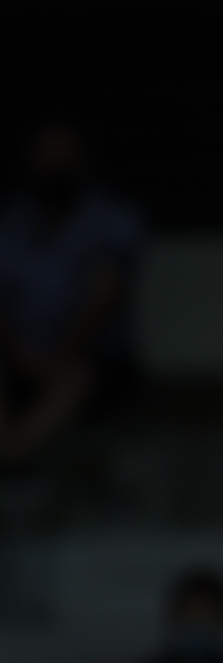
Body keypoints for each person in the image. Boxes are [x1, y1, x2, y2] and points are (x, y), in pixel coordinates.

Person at [0, 121, 142, 467]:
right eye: (46, 160)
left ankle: (15, 459)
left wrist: (58, 354)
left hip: (87, 355)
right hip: (20, 354)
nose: (54, 170)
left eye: (63, 160)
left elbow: (104, 297)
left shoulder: (109, 219)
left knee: (78, 377)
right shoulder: (13, 221)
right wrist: (22, 353)